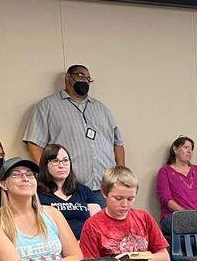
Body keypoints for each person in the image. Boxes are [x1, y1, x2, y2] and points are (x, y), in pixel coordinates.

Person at [23, 64, 124, 192]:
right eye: (81, 76)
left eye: (88, 79)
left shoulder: (102, 109)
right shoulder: (47, 106)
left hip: (105, 187)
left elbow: (118, 144)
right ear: (68, 77)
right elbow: (34, 143)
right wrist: (48, 174)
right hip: (68, 188)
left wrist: (120, 176)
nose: (85, 81)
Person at [36, 143, 105, 240]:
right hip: (55, 247)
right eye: (55, 161)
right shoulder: (37, 193)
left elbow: (98, 223)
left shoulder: (83, 191)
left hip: (86, 244)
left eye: (65, 160)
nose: (61, 165)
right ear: (46, 165)